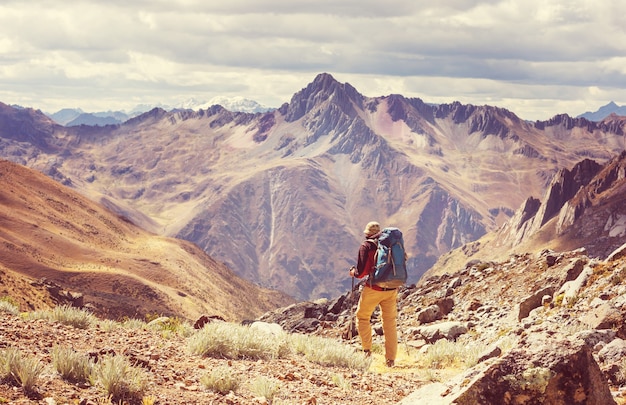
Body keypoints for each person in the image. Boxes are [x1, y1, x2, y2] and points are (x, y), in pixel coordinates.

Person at [349, 221, 398, 367]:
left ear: (366, 233)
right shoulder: (391, 244)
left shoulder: (367, 246)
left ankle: (367, 352)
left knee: (362, 317)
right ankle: (390, 360)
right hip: (391, 289)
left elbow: (362, 272)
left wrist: (353, 272)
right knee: (389, 323)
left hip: (373, 288)